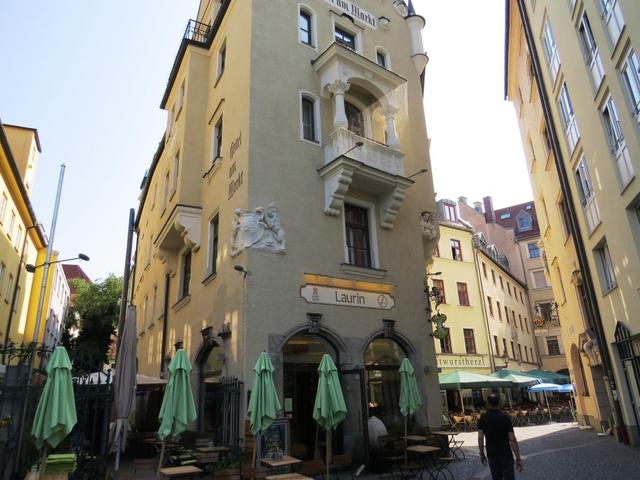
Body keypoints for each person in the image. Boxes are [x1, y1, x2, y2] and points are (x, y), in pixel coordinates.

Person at [478, 393, 523, 480]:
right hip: (506, 454)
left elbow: (480, 437)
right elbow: (512, 439)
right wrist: (518, 458)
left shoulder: (483, 418)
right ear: (498, 403)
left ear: (488, 403)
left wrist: (481, 453)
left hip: (492, 454)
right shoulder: (505, 417)